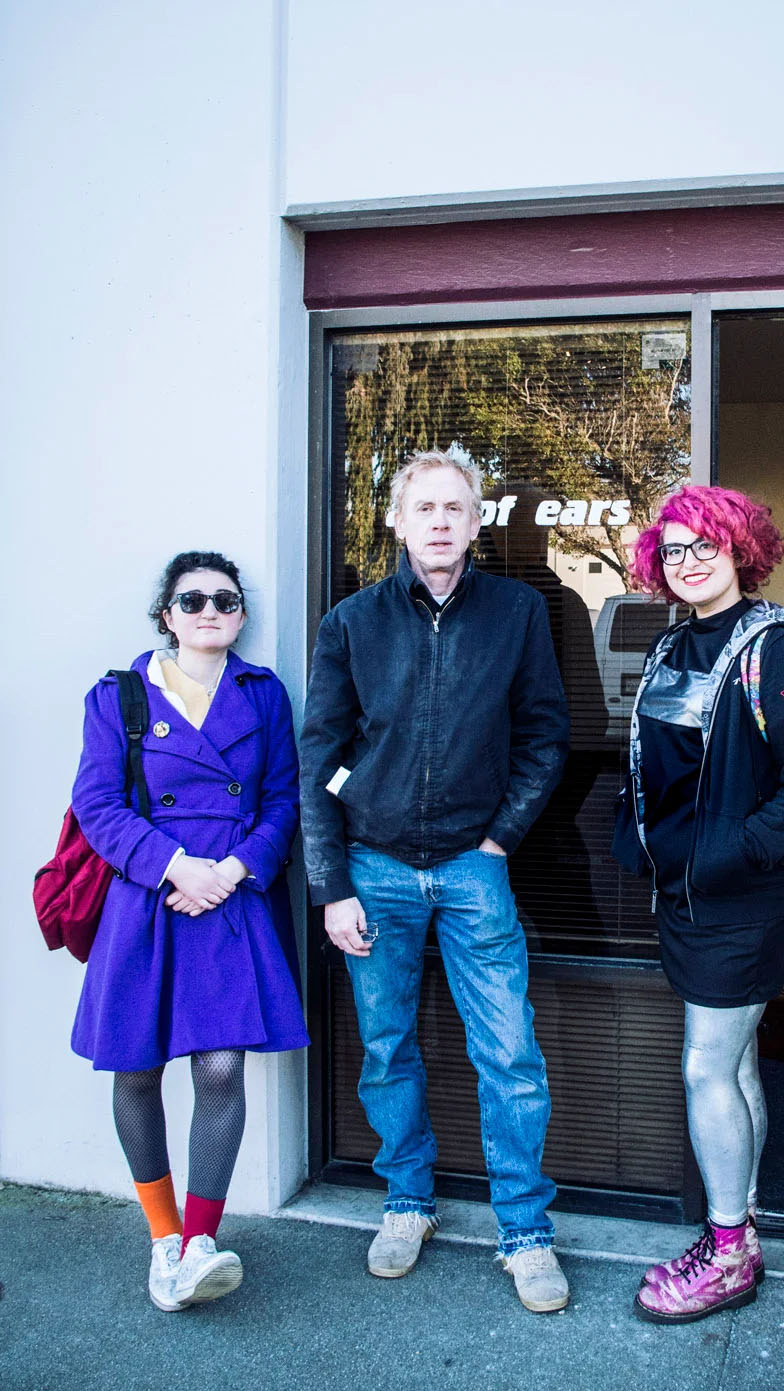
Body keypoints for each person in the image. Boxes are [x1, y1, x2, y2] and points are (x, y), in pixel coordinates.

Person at [299, 450, 571, 1312]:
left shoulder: (518, 612)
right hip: (373, 867)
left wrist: (498, 841)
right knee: (387, 1047)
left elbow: (546, 737)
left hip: (472, 868)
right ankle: (407, 1201)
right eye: (425, 508)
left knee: (510, 1053)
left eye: (456, 507)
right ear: (399, 520)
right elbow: (318, 758)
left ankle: (524, 1230)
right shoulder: (352, 622)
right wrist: (332, 884)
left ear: (477, 520)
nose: (442, 521)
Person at [612, 485, 784, 1324]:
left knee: (706, 1065)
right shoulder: (674, 643)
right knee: (734, 1061)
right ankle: (740, 1214)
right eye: (672, 549)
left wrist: (722, 858)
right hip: (687, 893)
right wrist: (644, 841)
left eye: (705, 543)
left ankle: (729, 1249)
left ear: (742, 548)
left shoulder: (778, 652)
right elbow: (657, 762)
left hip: (742, 898)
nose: (688, 561)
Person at [70, 551, 309, 1312]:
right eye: (193, 599)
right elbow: (98, 805)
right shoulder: (119, 695)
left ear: (240, 616)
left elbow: (283, 799)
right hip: (149, 898)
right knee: (137, 1070)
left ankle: (202, 1241)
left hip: (231, 898)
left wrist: (231, 871)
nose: (211, 611)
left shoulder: (261, 693)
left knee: (220, 1070)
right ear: (167, 615)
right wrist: (176, 867)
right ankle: (163, 1239)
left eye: (226, 600)